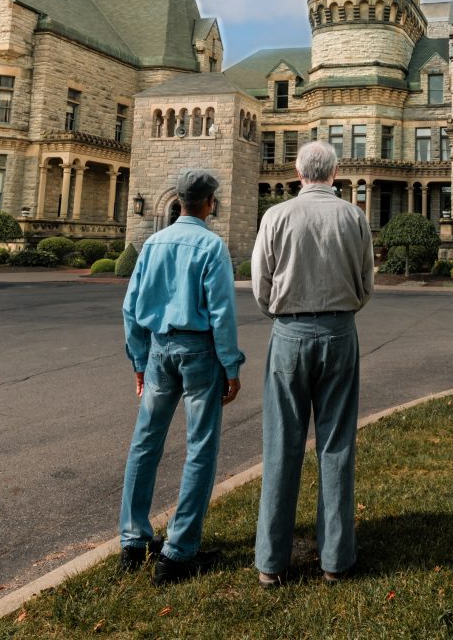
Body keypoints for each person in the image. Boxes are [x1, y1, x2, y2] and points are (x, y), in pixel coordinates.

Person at [251, 141, 374, 587]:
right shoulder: (353, 217)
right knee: (336, 443)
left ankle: (271, 562)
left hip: (289, 332)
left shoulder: (277, 216)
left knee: (281, 444)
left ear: (298, 173)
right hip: (340, 331)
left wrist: (285, 315)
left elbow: (261, 286)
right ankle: (335, 560)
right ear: (335, 173)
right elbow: (366, 282)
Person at [118, 168, 244, 586]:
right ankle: (177, 552)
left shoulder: (152, 243)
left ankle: (133, 541)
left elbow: (130, 306)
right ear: (210, 203)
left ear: (179, 202)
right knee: (200, 448)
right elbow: (223, 313)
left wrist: (138, 359)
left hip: (157, 349)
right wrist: (231, 364)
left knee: (145, 443)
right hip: (198, 352)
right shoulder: (211, 246)